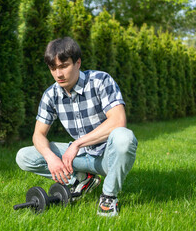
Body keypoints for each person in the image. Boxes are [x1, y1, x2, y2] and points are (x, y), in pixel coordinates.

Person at [16, 37, 138, 217]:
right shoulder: (51, 95)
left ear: (78, 62)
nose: (58, 74)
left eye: (63, 66)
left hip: (107, 157)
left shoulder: (100, 80)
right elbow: (38, 135)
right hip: (79, 158)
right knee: (24, 156)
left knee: (124, 137)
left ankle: (108, 196)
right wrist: (51, 158)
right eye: (53, 68)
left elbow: (118, 121)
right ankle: (82, 179)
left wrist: (76, 144)